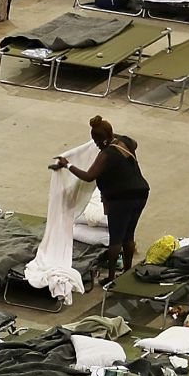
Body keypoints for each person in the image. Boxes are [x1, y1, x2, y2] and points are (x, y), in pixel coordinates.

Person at [53, 115, 148, 275]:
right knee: (129, 235)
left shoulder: (106, 155)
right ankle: (126, 271)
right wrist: (111, 136)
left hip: (122, 199)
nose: (96, 146)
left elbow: (89, 176)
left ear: (101, 139)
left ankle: (111, 276)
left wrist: (67, 164)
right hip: (142, 193)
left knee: (116, 238)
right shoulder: (125, 142)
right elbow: (134, 143)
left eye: (96, 142)